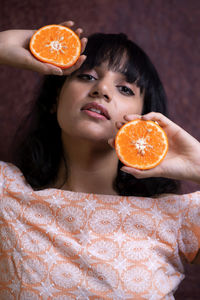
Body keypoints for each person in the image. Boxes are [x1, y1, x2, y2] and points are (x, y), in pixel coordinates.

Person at [0, 20, 200, 300]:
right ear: (53, 101)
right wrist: (3, 44)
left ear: (144, 119)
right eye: (87, 76)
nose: (102, 90)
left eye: (126, 89)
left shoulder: (178, 217)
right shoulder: (6, 193)